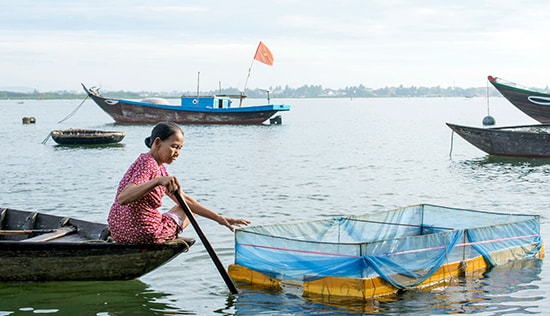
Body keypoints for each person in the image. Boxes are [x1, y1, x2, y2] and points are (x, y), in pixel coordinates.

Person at [108, 121, 250, 244]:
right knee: (189, 211)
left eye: (180, 148)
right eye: (174, 146)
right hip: (142, 233)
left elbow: (185, 200)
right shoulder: (149, 164)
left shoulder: (156, 166)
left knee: (187, 205)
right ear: (158, 143)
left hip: (118, 231)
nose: (177, 153)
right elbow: (123, 197)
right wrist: (157, 181)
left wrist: (219, 218)